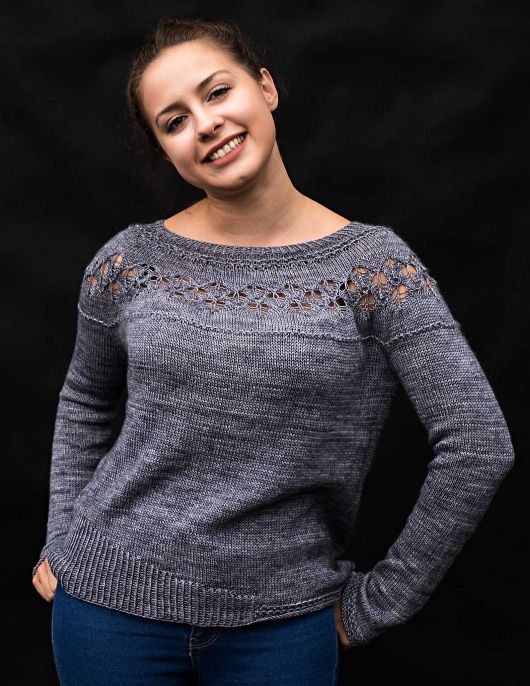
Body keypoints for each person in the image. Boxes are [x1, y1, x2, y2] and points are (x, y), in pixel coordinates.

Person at [31, 16, 515, 686]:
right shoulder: (129, 262)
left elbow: (478, 442)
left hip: (281, 632)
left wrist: (380, 602)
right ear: (166, 151)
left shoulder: (374, 270)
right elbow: (86, 399)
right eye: (174, 121)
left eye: (217, 92)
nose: (206, 124)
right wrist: (62, 537)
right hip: (107, 616)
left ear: (265, 88)